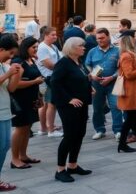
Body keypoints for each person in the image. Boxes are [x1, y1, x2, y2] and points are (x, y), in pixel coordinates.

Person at [50, 37, 93, 183]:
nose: (84, 48)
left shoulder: (78, 62)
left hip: (82, 103)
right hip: (68, 106)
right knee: (69, 136)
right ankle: (60, 169)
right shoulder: (63, 63)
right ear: (73, 48)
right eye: (81, 46)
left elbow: (82, 78)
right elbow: (55, 83)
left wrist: (89, 87)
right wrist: (69, 98)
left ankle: (72, 165)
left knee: (80, 134)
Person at [9, 37, 44, 170]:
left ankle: (23, 155)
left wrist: (39, 96)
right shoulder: (18, 62)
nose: (36, 49)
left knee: (27, 128)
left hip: (31, 99)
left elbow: (37, 79)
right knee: (20, 128)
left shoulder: (31, 60)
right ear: (26, 47)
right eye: (33, 47)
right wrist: (34, 82)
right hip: (20, 100)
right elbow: (15, 85)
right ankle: (14, 159)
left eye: (37, 47)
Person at [84, 28, 122, 141]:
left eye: (102, 38)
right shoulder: (92, 51)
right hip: (97, 85)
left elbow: (122, 68)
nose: (100, 40)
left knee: (116, 106)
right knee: (97, 108)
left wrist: (112, 77)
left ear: (108, 36)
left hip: (114, 83)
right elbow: (87, 65)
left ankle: (118, 130)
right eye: (98, 39)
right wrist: (91, 74)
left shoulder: (118, 51)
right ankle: (100, 130)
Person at [115, 31, 136, 153]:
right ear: (130, 39)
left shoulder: (128, 54)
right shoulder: (127, 56)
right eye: (135, 37)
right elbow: (128, 74)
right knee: (130, 119)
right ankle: (122, 144)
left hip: (132, 89)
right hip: (129, 90)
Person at [0, 35, 22, 191]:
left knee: (5, 145)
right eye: (10, 53)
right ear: (1, 50)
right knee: (2, 145)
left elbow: (11, 89)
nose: (12, 57)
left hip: (5, 110)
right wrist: (8, 74)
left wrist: (17, 73)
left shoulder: (3, 65)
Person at [36, 26, 63, 138]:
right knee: (51, 104)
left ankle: (45, 127)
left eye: (55, 34)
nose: (55, 37)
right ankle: (50, 129)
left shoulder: (52, 46)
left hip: (53, 77)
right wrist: (64, 67)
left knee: (47, 104)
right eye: (52, 35)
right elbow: (49, 65)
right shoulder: (42, 47)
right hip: (48, 78)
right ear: (46, 35)